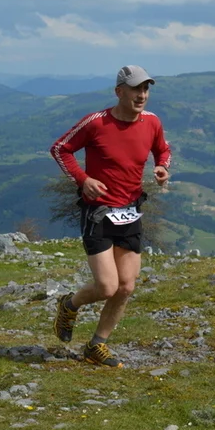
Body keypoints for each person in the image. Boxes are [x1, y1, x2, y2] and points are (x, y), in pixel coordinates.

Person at [49, 65, 171, 368]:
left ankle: (96, 345)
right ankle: (69, 304)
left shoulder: (152, 122)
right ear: (119, 92)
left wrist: (162, 167)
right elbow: (60, 149)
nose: (142, 95)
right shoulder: (96, 122)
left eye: (145, 89)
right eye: (135, 89)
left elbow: (163, 150)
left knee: (126, 286)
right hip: (99, 213)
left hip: (131, 211)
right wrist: (83, 180)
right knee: (106, 287)